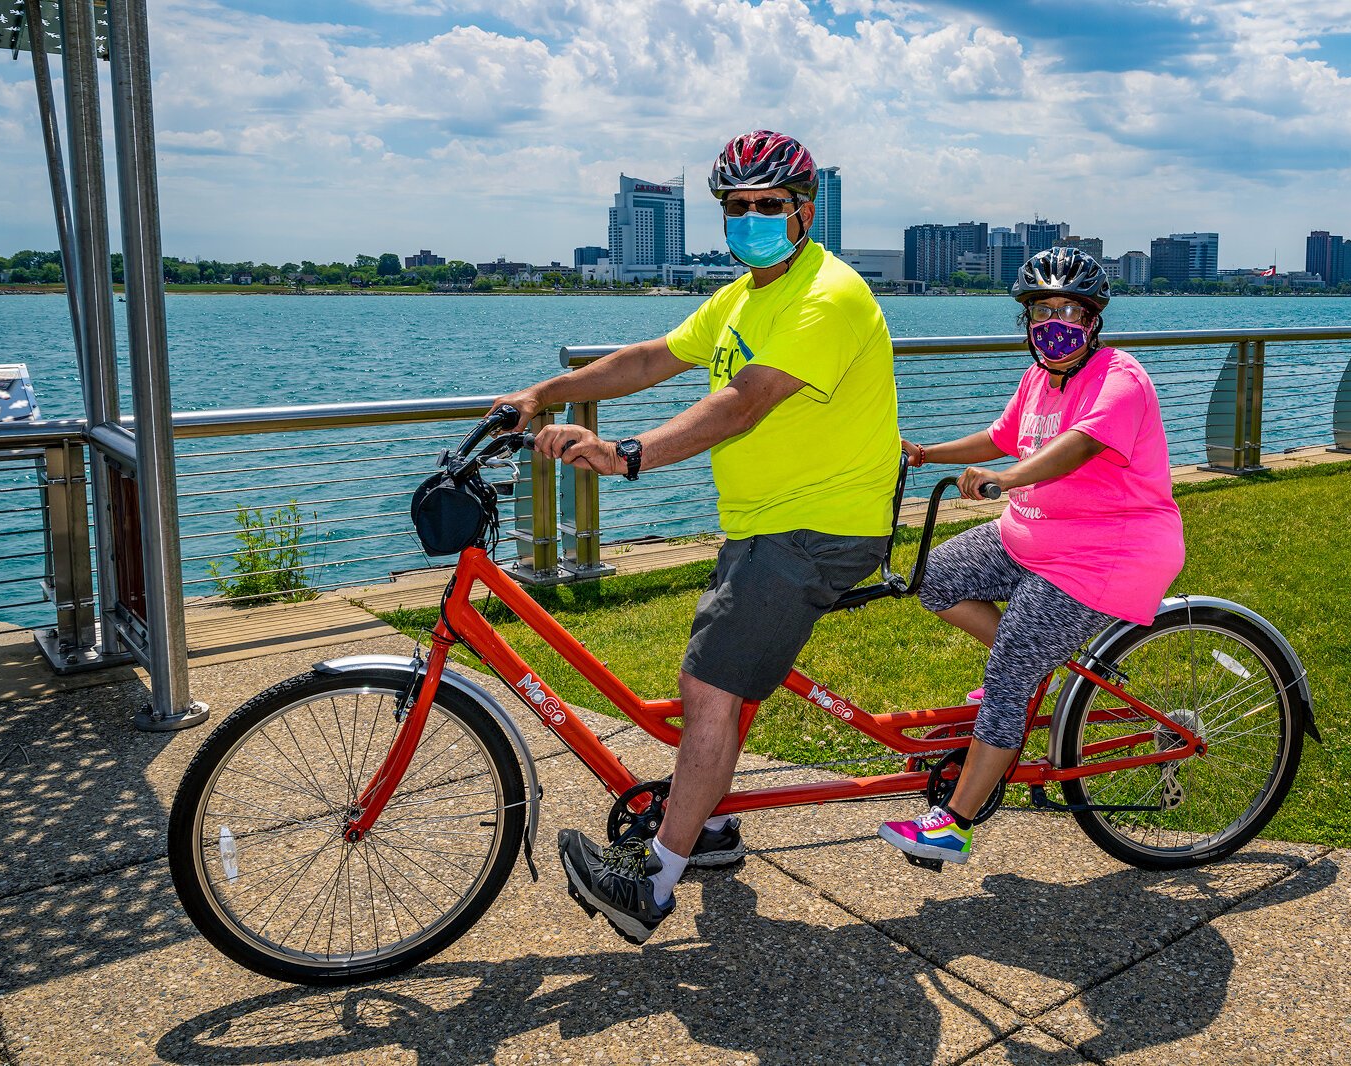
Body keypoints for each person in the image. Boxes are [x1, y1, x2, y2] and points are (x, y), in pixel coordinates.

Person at [490, 130, 899, 944]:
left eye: (766, 206)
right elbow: (649, 358)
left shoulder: (828, 295)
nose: (749, 218)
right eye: (735, 207)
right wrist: (542, 391)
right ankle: (708, 828)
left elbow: (741, 402)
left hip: (818, 528)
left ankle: (652, 886)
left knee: (708, 686)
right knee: (720, 674)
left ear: (803, 212)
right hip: (767, 522)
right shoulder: (743, 295)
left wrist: (629, 452)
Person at [879, 247, 1185, 865]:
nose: (1055, 321)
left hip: (1104, 554)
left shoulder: (1119, 380)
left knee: (1008, 675)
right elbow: (1002, 435)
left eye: (1070, 310)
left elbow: (1075, 448)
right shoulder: (1038, 378)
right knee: (937, 576)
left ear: (1094, 319)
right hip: (1035, 536)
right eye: (1043, 309)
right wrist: (925, 454)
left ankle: (954, 824)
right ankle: (1034, 663)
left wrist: (1007, 479)